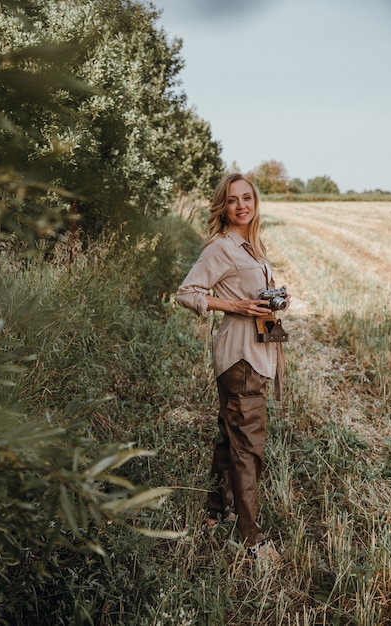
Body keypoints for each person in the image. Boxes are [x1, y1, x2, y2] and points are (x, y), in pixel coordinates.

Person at [176, 172, 290, 561]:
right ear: (222, 206)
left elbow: (248, 291)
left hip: (254, 352)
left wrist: (272, 300)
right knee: (248, 447)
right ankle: (251, 539)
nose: (241, 205)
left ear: (255, 202)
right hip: (240, 356)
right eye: (232, 199)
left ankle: (213, 511)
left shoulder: (250, 246)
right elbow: (187, 293)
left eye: (247, 198)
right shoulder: (221, 247)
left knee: (230, 435)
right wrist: (237, 306)